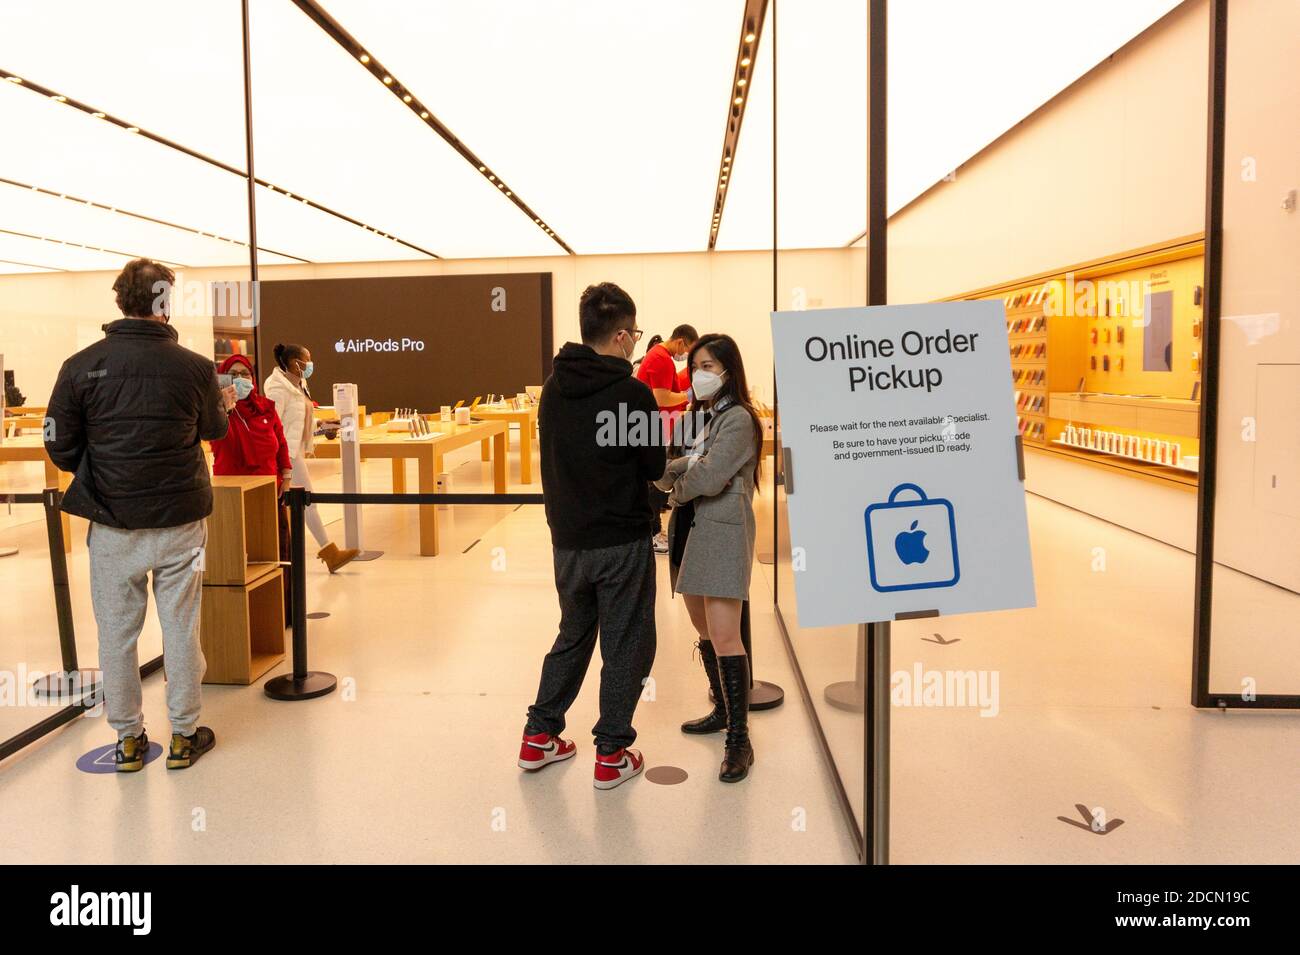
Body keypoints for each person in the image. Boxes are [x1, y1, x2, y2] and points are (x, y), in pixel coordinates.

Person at [45, 258, 235, 772]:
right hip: (182, 523)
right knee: (181, 628)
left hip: (110, 524)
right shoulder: (195, 367)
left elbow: (58, 446)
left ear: (118, 300)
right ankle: (184, 735)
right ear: (164, 303)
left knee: (116, 635)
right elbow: (214, 431)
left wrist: (101, 467)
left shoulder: (80, 365)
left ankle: (128, 741)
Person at [519, 282, 665, 790]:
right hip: (620, 539)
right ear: (622, 335)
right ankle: (612, 752)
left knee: (573, 634)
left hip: (567, 539)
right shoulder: (632, 393)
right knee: (627, 641)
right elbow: (654, 464)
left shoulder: (553, 387)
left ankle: (539, 735)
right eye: (636, 335)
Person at [655, 333, 763, 783]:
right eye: (695, 365)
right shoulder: (705, 417)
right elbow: (690, 463)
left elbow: (713, 475)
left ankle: (739, 739)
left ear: (729, 372)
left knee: (725, 635)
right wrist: (670, 473)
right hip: (691, 534)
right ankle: (720, 709)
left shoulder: (739, 419)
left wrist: (674, 488)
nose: (699, 374)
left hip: (719, 534)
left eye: (709, 367)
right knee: (704, 629)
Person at [210, 354, 294, 619]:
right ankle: (243, 617)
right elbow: (217, 439)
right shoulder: (216, 412)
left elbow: (279, 441)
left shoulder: (265, 407)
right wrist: (225, 407)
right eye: (233, 374)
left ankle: (281, 613)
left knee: (277, 553)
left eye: (245, 374)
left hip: (269, 490)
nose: (241, 380)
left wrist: (287, 475)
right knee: (237, 559)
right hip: (232, 494)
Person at [263, 343, 359, 574]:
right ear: (296, 363)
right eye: (307, 360)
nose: (310, 364)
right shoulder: (277, 388)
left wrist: (324, 425)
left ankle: (318, 552)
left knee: (300, 503)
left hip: (295, 451)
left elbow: (299, 422)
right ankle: (330, 553)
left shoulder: (299, 385)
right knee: (308, 501)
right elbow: (275, 425)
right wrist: (283, 462)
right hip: (286, 453)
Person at [634, 323, 698, 555]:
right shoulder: (661, 358)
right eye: (688, 351)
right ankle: (652, 533)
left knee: (655, 481)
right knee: (656, 482)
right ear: (681, 342)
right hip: (655, 428)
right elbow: (661, 398)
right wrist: (689, 395)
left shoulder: (659, 356)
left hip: (656, 426)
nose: (685, 356)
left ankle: (653, 531)